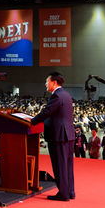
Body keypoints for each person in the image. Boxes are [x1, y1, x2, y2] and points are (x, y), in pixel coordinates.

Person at [31, 72, 75, 201]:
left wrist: (32, 121)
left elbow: (46, 112)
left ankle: (63, 194)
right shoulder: (66, 94)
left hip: (59, 136)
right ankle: (70, 191)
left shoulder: (56, 96)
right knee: (67, 165)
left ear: (54, 82)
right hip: (68, 135)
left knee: (60, 165)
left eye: (47, 81)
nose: (46, 84)